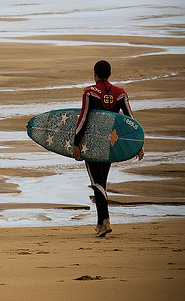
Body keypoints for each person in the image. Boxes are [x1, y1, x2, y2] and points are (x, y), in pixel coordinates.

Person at [72, 60, 144, 237]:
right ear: (110, 74)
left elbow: (83, 118)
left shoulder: (89, 92)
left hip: (93, 144)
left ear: (94, 73)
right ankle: (99, 223)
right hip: (111, 145)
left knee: (97, 183)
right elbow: (131, 122)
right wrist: (138, 145)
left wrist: (75, 143)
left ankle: (106, 221)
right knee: (101, 183)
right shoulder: (121, 93)